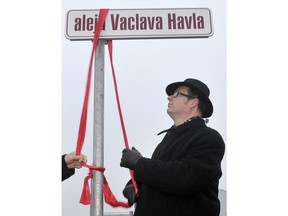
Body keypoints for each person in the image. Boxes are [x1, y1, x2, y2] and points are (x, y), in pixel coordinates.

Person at [120, 78, 225, 216]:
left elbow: (185, 177)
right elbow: (162, 176)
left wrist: (139, 163)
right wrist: (136, 185)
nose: (169, 97)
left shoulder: (209, 138)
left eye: (177, 94)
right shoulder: (169, 138)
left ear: (194, 102)